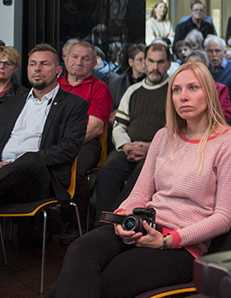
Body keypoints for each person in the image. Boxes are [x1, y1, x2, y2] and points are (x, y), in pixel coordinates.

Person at [53, 62, 231, 298]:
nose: (183, 97)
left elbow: (223, 218)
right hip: (144, 226)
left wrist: (168, 240)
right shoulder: (164, 136)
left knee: (103, 281)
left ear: (209, 92)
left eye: (193, 88)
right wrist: (122, 218)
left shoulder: (229, 143)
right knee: (80, 249)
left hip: (182, 246)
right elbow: (140, 194)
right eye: (176, 90)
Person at [0, 44, 88, 204]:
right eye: (32, 64)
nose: (37, 69)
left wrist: (19, 163)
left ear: (58, 71)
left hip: (42, 178)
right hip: (5, 177)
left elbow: (68, 148)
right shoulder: (11, 102)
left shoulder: (73, 105)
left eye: (44, 64)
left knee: (31, 159)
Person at [95, 43, 171, 221]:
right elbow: (119, 125)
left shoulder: (174, 90)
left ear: (169, 63)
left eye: (160, 62)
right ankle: (103, 224)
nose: (155, 67)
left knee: (141, 176)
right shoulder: (133, 90)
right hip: (129, 148)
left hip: (160, 152)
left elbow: (177, 130)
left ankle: (121, 220)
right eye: (151, 61)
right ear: (144, 62)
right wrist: (126, 145)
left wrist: (150, 148)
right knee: (106, 173)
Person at [57, 41, 113, 234]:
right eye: (74, 57)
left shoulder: (99, 88)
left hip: (86, 144)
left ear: (94, 64)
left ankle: (78, 223)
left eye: (85, 59)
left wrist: (65, 144)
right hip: (56, 143)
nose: (79, 62)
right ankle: (40, 225)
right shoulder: (54, 86)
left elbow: (95, 127)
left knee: (74, 169)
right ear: (65, 60)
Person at [204, 36, 231, 112]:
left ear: (224, 52)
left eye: (217, 51)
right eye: (210, 51)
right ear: (205, 52)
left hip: (225, 109)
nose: (214, 54)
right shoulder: (203, 68)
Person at [108, 43, 146, 110]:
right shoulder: (117, 83)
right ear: (130, 62)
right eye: (140, 60)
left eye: (146, 60)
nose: (144, 63)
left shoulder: (153, 81)